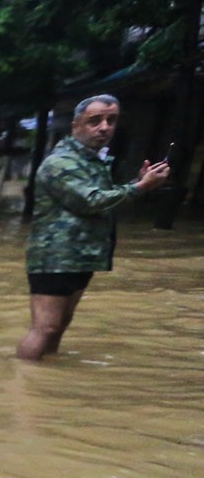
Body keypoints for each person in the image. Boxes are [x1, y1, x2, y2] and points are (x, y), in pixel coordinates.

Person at [18, 94, 170, 361]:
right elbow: (91, 201)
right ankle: (21, 387)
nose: (104, 127)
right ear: (76, 125)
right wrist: (140, 187)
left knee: (59, 326)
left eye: (111, 120)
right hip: (55, 256)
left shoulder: (93, 161)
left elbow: (104, 196)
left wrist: (137, 181)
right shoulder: (60, 162)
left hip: (83, 254)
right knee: (45, 327)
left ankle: (44, 381)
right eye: (95, 121)